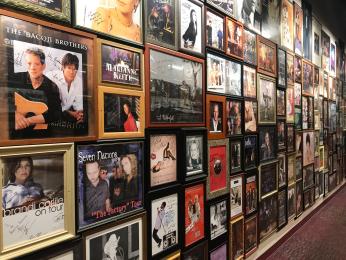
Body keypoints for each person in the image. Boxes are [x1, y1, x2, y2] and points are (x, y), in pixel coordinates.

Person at [9, 48, 62, 138]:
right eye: (29, 63)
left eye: (36, 64)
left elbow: (56, 113)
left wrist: (28, 121)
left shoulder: (52, 86)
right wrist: (15, 114)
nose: (32, 67)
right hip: (16, 136)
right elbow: (3, 100)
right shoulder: (14, 78)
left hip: (41, 137)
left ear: (43, 66)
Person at [54, 53, 83, 123]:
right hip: (52, 114)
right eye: (69, 68)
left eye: (74, 69)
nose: (72, 72)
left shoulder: (78, 80)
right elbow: (53, 106)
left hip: (66, 115)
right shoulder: (54, 78)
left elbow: (78, 103)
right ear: (63, 67)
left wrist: (80, 114)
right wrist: (69, 113)